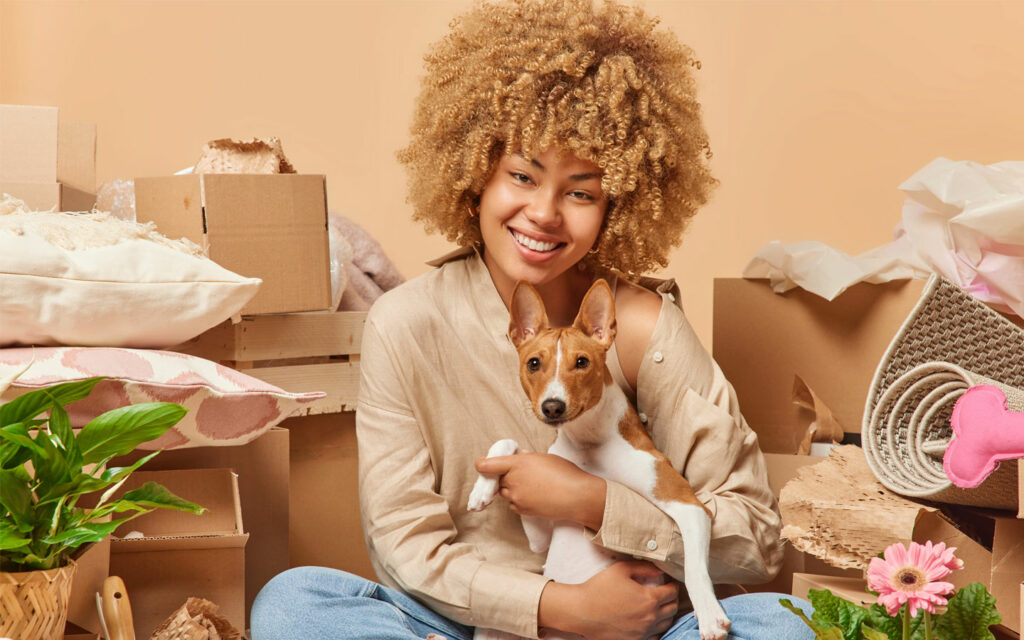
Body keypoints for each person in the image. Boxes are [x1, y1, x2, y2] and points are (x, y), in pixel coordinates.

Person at [251, 0, 814, 638]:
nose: (544, 214)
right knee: (293, 603)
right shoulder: (404, 322)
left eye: (581, 191)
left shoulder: (642, 327)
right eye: (522, 175)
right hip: (465, 623)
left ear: (617, 205)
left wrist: (597, 504)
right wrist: (558, 610)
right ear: (475, 176)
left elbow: (755, 540)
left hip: (642, 625)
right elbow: (402, 546)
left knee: (785, 624)